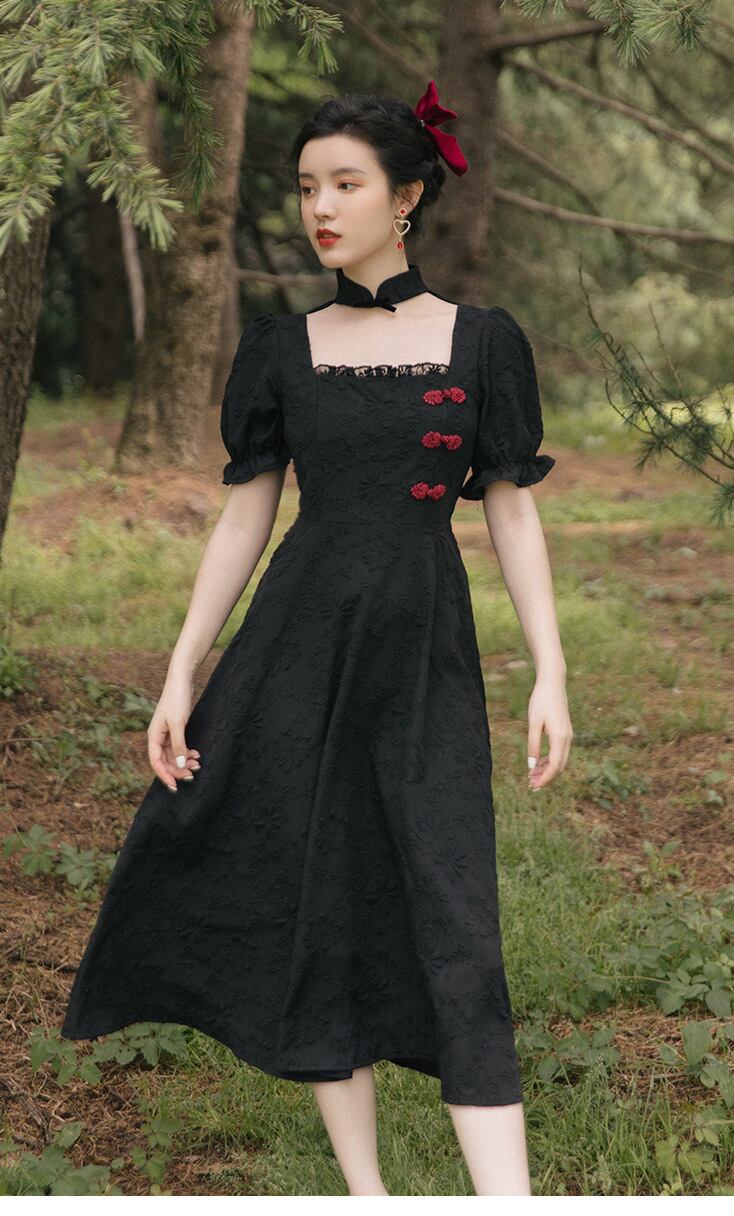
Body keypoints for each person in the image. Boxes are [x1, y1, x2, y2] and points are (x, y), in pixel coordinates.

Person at [60, 81, 572, 1197]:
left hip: (422, 658)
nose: (321, 208)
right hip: (293, 657)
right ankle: (367, 1197)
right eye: (306, 188)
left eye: (346, 184)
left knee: (454, 912)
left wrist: (551, 669)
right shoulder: (280, 350)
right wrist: (181, 670)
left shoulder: (482, 342)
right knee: (318, 900)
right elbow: (246, 517)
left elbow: (512, 510)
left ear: (407, 196)